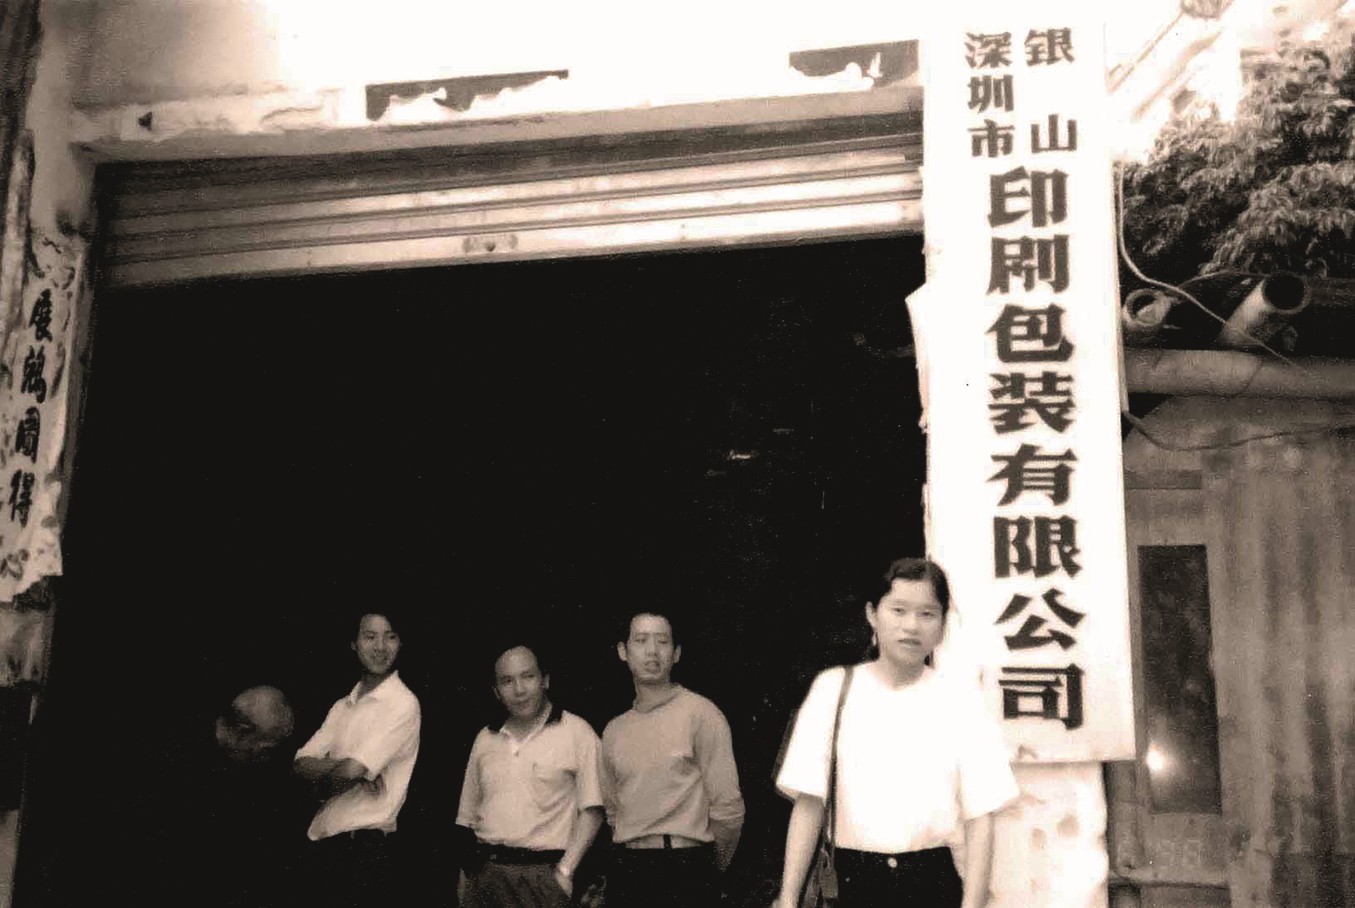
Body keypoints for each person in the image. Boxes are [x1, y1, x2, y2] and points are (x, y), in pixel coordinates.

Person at [773, 557, 1019, 908]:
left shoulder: (961, 700)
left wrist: (973, 905)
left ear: (943, 625)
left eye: (927, 614)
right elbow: (810, 803)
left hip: (932, 883)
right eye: (898, 610)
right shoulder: (834, 690)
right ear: (873, 614)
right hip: (850, 883)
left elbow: (980, 818)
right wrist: (788, 899)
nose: (912, 626)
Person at [601, 609, 745, 908]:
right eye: (641, 640)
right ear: (623, 651)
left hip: (687, 866)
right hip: (628, 869)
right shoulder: (614, 730)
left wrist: (707, 868)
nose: (652, 651)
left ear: (676, 653)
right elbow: (613, 811)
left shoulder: (702, 714)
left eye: (662, 641)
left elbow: (728, 810)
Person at [456, 643, 606, 907]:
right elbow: (467, 817)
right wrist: (467, 878)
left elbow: (593, 810)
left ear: (545, 680)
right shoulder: (485, 738)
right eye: (507, 681)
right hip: (485, 875)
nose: (519, 689)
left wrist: (565, 872)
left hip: (543, 877)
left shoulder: (577, 732)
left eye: (528, 676)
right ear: (496, 691)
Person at [293, 610, 422, 907]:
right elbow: (299, 764)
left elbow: (351, 770)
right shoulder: (342, 706)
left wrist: (325, 784)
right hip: (326, 845)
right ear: (353, 643)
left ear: (401, 643)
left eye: (391, 637)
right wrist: (354, 773)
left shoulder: (402, 703)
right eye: (370, 636)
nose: (380, 647)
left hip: (365, 853)